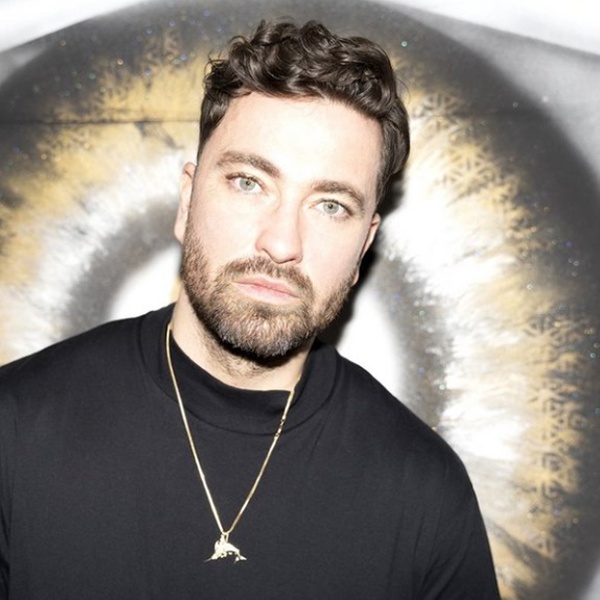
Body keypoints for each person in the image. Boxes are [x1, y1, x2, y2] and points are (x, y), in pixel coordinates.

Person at [0, 18, 500, 599]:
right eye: (248, 182)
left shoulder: (426, 493)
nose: (282, 243)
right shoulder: (14, 429)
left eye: (331, 205)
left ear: (364, 245)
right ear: (187, 202)